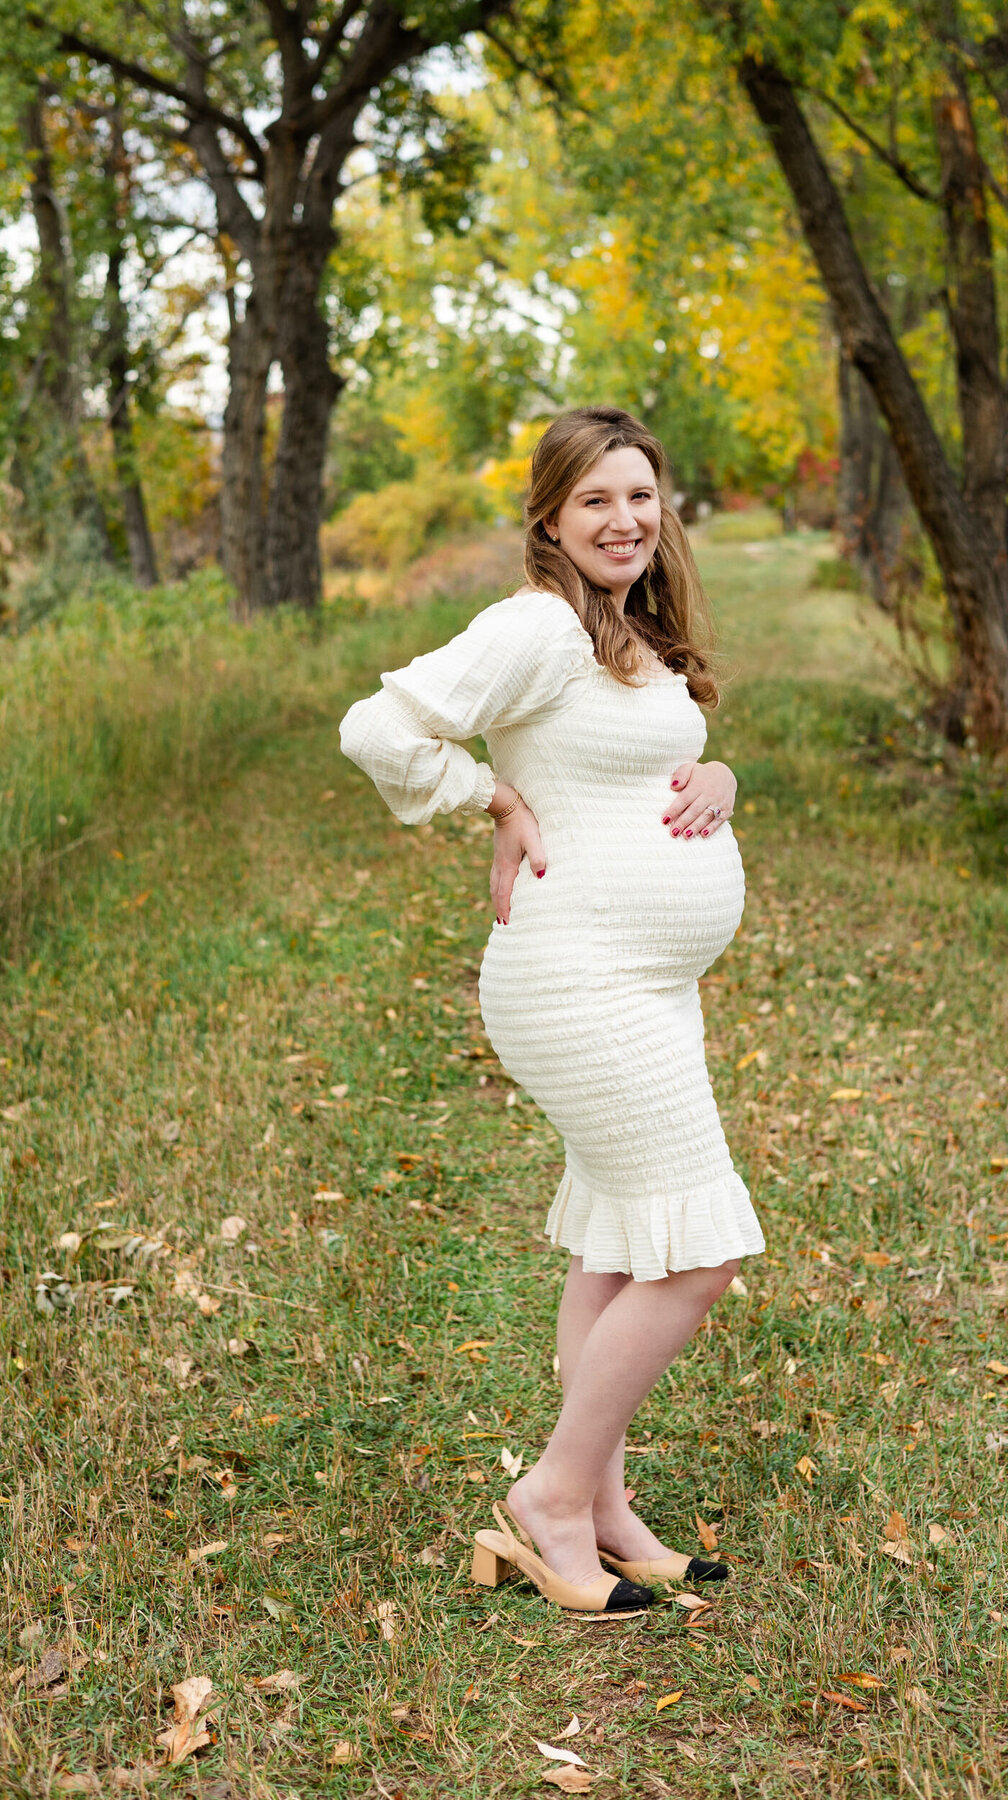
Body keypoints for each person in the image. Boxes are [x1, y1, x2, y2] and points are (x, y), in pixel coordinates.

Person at [340, 405, 765, 1614]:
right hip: (578, 981)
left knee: (623, 1239)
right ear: (550, 518)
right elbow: (377, 726)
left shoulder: (628, 630)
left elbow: (639, 762)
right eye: (596, 501)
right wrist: (486, 800)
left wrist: (722, 777)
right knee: (700, 1250)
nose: (625, 519)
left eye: (641, 495)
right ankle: (552, 1497)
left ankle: (609, 1508)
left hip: (650, 982)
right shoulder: (534, 625)